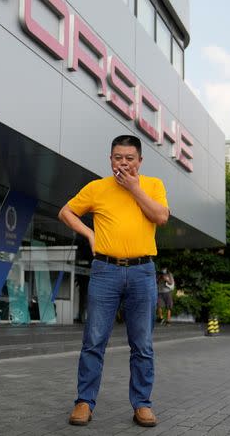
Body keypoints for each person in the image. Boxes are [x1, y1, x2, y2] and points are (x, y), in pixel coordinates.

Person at [58, 135, 169, 428]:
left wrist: (135, 189)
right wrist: (90, 234)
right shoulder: (97, 188)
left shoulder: (153, 185)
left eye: (129, 158)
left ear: (139, 161)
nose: (123, 162)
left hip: (143, 271)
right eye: (118, 157)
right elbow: (66, 212)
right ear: (110, 159)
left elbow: (161, 217)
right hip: (105, 271)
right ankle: (84, 402)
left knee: (142, 344)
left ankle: (142, 405)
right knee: (94, 340)